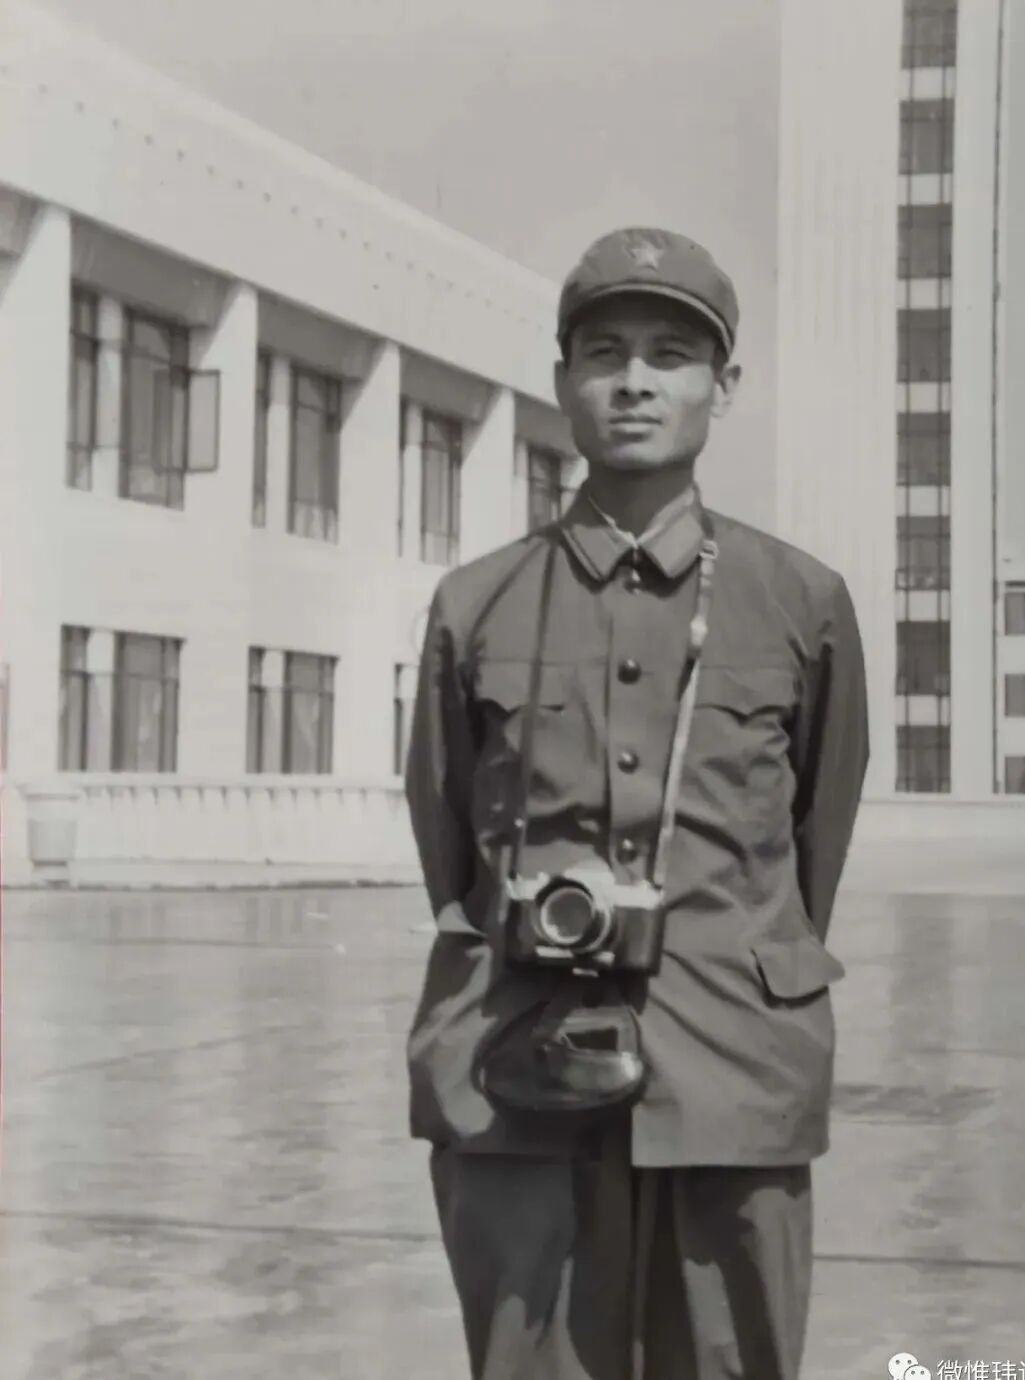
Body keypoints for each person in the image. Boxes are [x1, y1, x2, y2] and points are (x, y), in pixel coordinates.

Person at [404, 227, 869, 1380]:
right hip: (510, 1065)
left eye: (670, 354)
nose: (633, 382)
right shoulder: (477, 604)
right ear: (562, 380)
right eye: (603, 352)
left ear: (723, 386)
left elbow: (813, 843)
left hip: (729, 1068)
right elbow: (447, 838)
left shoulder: (798, 601)